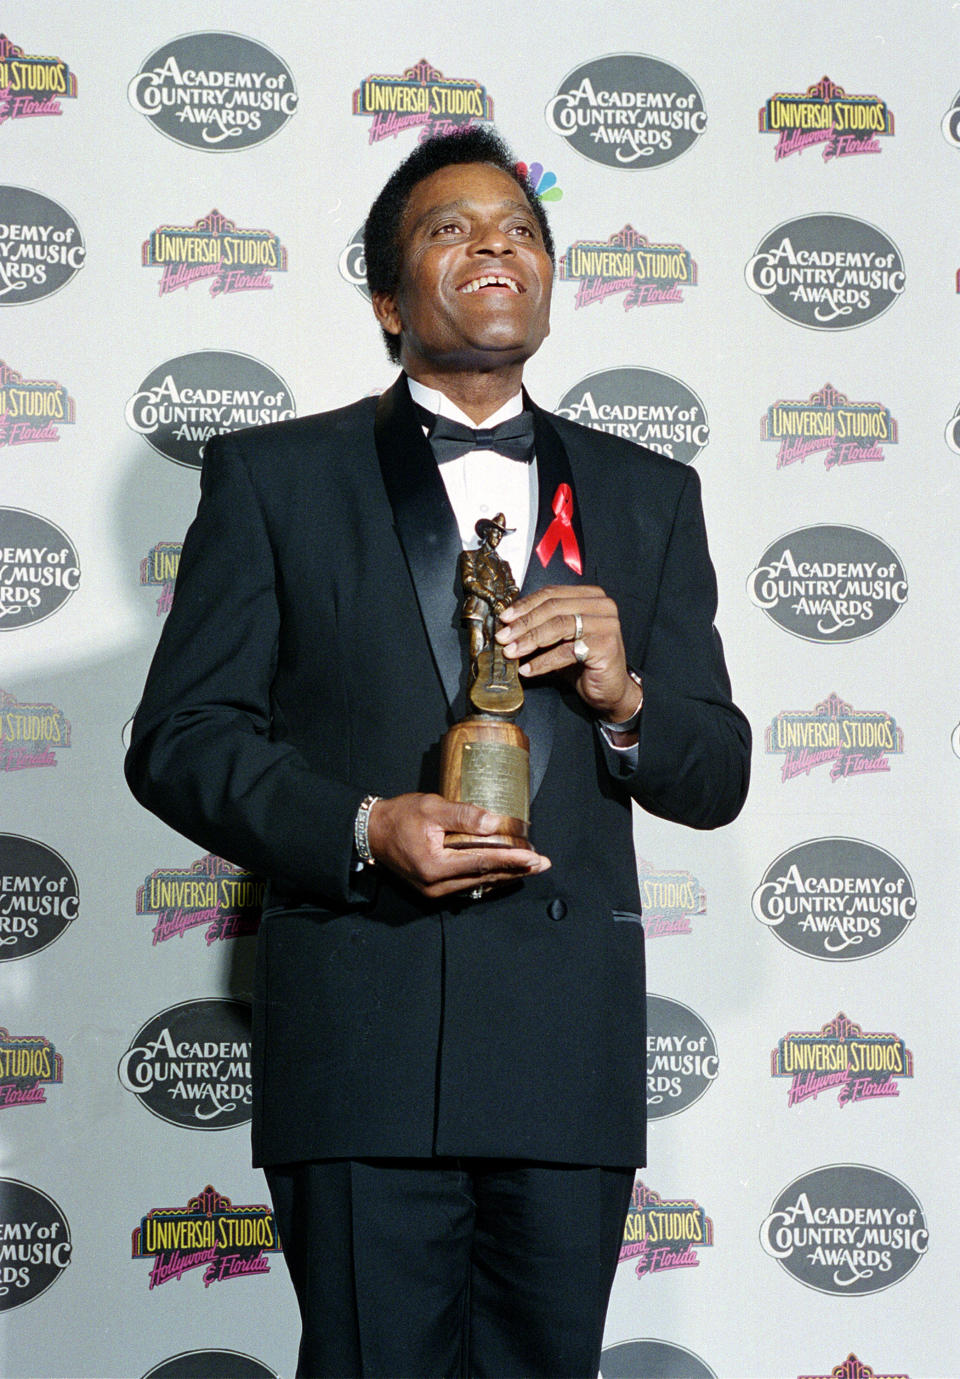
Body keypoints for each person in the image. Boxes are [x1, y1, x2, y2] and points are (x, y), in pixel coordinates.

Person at [125, 126, 750, 1379]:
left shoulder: (647, 493)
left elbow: (715, 769)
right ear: (384, 297)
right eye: (449, 230)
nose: (494, 247)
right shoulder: (272, 478)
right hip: (364, 1034)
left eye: (520, 230)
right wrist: (362, 826)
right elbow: (180, 741)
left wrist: (627, 697)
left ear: (552, 283)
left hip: (565, 1058)